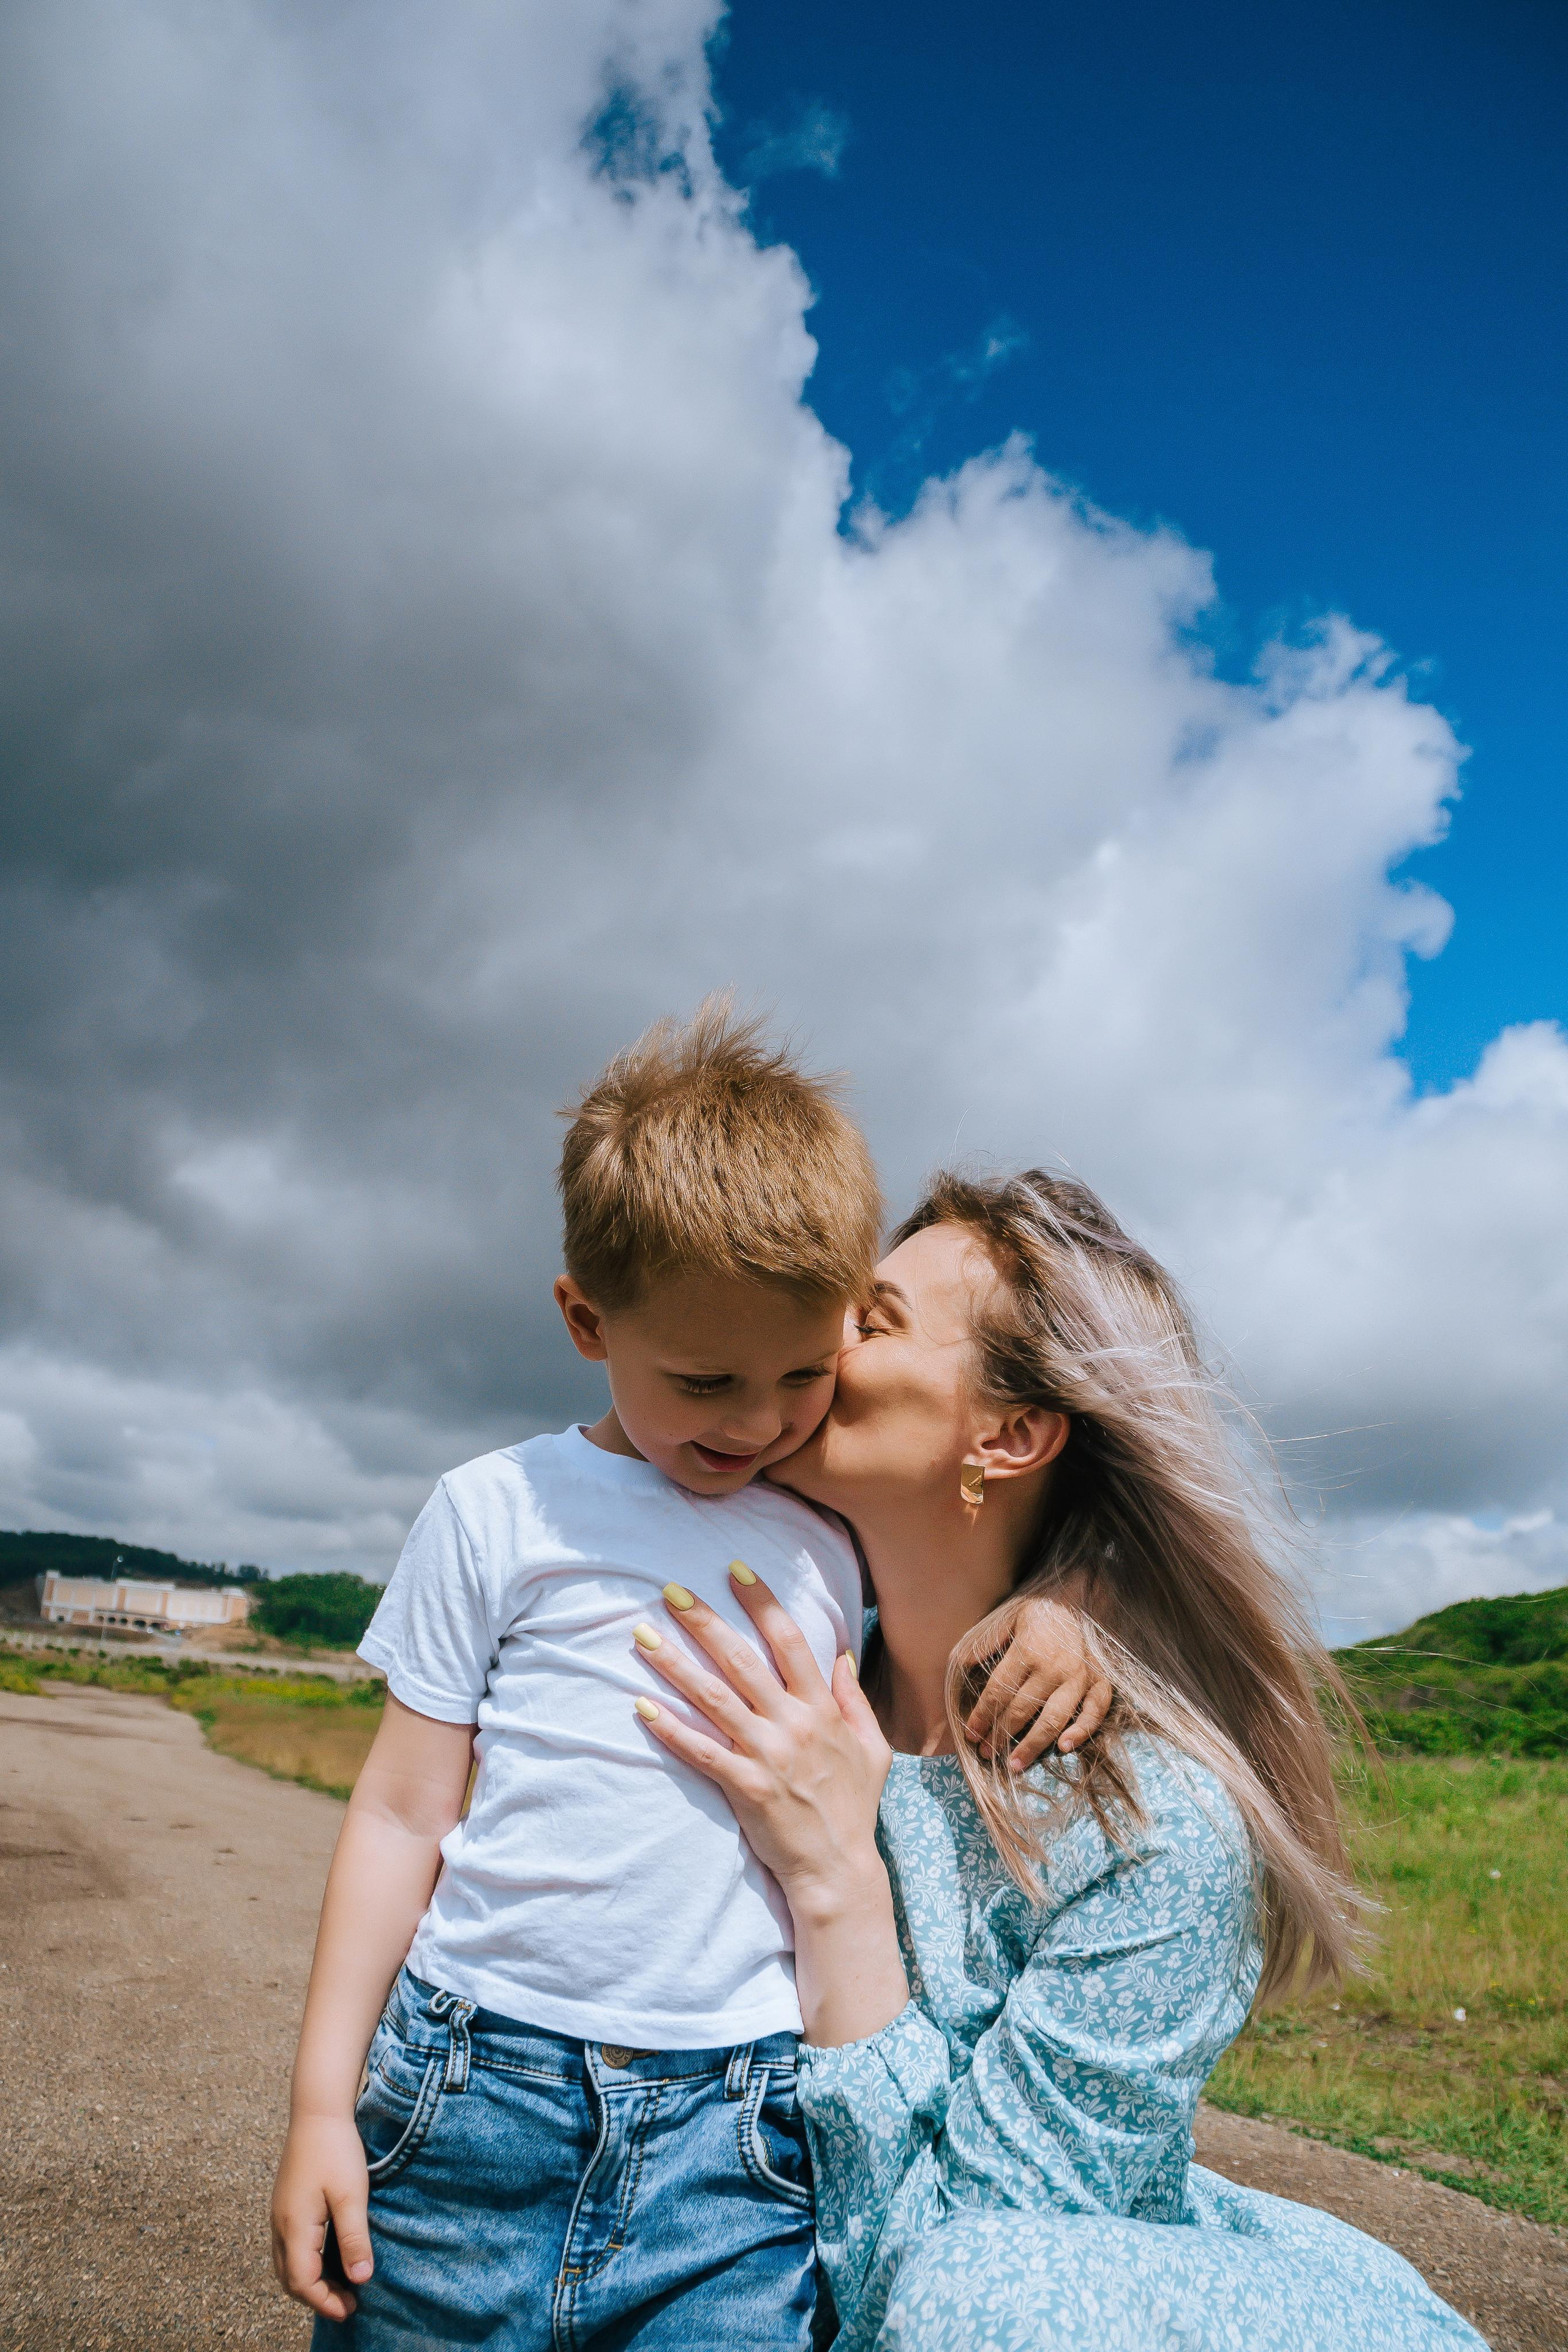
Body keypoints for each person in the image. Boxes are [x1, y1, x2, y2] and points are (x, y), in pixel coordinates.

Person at [270, 1014, 1110, 2349]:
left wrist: (1074, 1610)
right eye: (703, 1380)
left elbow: (975, 1573)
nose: (758, 1422)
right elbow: (397, 1814)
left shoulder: (825, 1527)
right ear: (584, 1319)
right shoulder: (497, 1511)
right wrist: (322, 2103)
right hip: (475, 2089)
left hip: (739, 2140)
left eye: (802, 1372)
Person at [630, 1167, 1487, 2352]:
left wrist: (840, 1883)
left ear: (1012, 1435)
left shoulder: (1153, 1827)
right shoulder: (780, 1676)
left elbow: (942, 2296)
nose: (812, 1335)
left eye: (870, 1320)